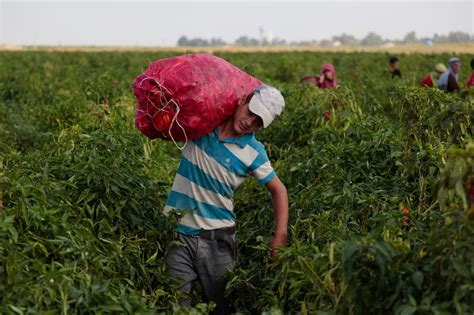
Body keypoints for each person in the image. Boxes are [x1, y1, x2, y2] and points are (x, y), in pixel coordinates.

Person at [164, 85, 289, 314]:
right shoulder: (204, 124)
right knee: (176, 304)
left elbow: (279, 190)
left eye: (258, 122)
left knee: (223, 306)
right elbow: (172, 113)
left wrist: (280, 236)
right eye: (250, 112)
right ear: (243, 100)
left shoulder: (253, 151)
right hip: (177, 233)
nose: (249, 122)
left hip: (217, 239)